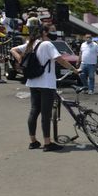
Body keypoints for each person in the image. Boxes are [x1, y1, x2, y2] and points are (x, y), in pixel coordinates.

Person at [10, 24, 79, 152]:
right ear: (44, 33)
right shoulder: (47, 45)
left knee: (34, 111)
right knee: (45, 114)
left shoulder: (31, 44)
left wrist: (19, 58)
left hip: (33, 82)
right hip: (46, 83)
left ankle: (33, 141)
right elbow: (60, 60)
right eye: (50, 31)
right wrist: (74, 70)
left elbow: (13, 49)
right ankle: (48, 143)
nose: (51, 33)